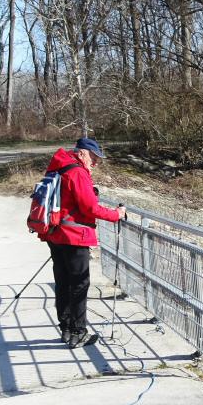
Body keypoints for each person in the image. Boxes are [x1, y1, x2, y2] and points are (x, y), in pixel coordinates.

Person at [42, 137, 126, 348]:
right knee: (79, 283)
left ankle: (67, 329)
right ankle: (79, 332)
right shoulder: (77, 172)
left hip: (55, 233)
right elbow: (91, 208)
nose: (95, 162)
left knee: (62, 282)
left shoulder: (59, 167)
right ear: (82, 153)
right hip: (73, 236)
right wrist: (116, 214)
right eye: (94, 157)